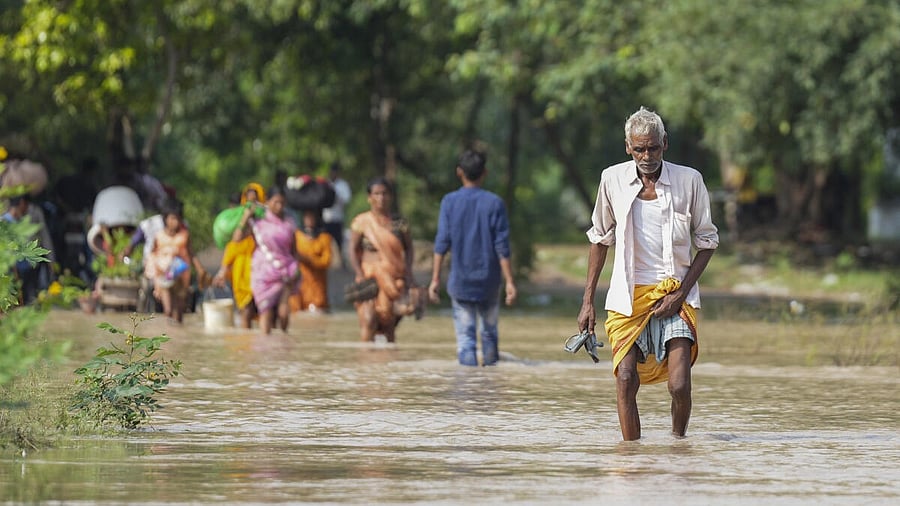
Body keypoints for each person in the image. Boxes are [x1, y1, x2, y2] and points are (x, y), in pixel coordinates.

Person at [576, 107, 719, 441]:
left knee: (679, 383)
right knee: (626, 378)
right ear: (628, 147)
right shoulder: (611, 179)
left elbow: (708, 241)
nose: (646, 156)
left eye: (653, 148)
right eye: (639, 149)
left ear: (665, 144)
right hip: (627, 296)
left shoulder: (690, 181)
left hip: (675, 293)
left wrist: (680, 294)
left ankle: (677, 446)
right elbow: (600, 239)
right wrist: (587, 302)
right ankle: (632, 459)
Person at [428, 149, 517, 366]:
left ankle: (467, 393)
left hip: (461, 282)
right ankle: (489, 391)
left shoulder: (449, 202)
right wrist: (510, 282)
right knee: (489, 335)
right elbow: (501, 246)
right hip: (489, 281)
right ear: (485, 173)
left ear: (459, 172)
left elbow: (442, 243)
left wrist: (435, 279)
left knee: (466, 340)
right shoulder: (494, 203)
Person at [348, 177, 424, 343]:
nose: (381, 198)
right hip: (370, 279)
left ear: (390, 196)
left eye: (385, 194)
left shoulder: (400, 224)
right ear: (369, 198)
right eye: (376, 194)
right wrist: (359, 274)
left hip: (394, 279)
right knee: (368, 320)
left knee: (389, 325)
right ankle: (365, 362)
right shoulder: (361, 222)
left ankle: (387, 365)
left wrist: (409, 272)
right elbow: (353, 250)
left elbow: (409, 248)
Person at [232, 187, 300, 335]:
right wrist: (245, 218)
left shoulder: (289, 222)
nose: (279, 206)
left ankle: (284, 342)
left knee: (283, 312)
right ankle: (265, 348)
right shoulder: (258, 222)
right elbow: (236, 238)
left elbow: (294, 249)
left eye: (282, 203)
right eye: (276, 202)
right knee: (265, 311)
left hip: (285, 271)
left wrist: (296, 268)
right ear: (267, 202)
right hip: (263, 273)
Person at [143, 202, 207, 323]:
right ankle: (169, 337)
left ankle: (177, 336)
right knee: (168, 309)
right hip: (164, 276)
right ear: (165, 219)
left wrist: (199, 269)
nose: (175, 222)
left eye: (178, 218)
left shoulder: (184, 235)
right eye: (172, 218)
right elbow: (152, 255)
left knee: (179, 310)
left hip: (181, 276)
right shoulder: (159, 236)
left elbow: (191, 253)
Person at [212, 183, 266, 328]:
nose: (251, 204)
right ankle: (245, 344)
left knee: (265, 311)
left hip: (262, 270)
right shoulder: (240, 221)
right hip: (242, 272)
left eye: (255, 200)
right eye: (248, 200)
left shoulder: (266, 219)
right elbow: (234, 244)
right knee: (246, 310)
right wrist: (245, 217)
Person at [290, 208, 333, 313]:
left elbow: (326, 261)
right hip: (299, 286)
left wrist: (309, 260)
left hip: (317, 286)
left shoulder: (324, 238)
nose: (309, 220)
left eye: (312, 217)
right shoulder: (296, 236)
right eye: (307, 217)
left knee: (317, 312)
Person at [322, 163, 351, 269]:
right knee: (325, 240)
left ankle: (342, 262)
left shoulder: (342, 185)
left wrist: (335, 193)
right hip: (326, 217)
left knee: (339, 241)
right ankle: (325, 260)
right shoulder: (326, 184)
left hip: (337, 217)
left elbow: (347, 199)